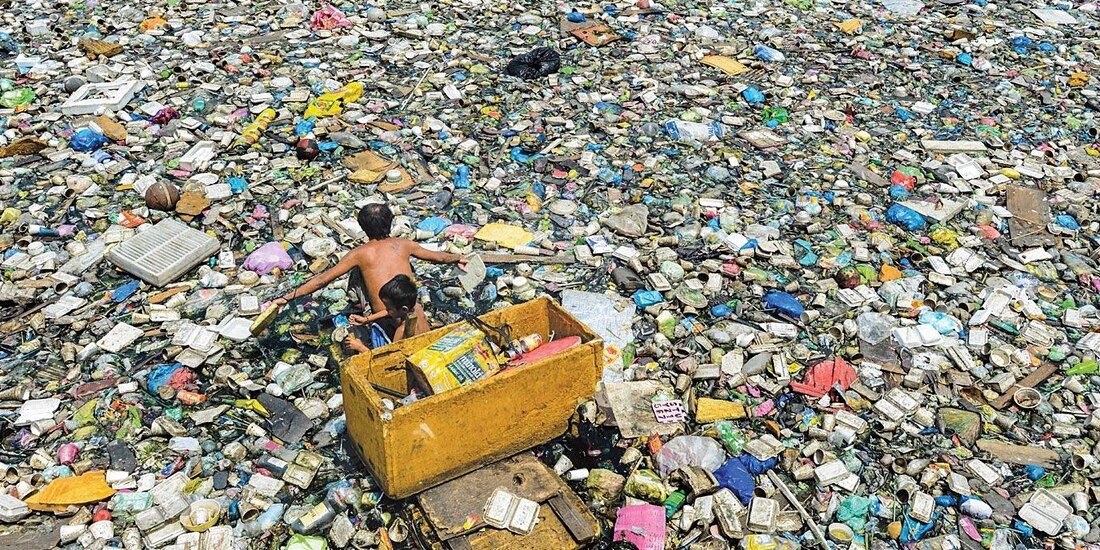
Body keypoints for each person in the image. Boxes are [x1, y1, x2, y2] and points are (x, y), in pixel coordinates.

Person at [273, 202, 466, 341]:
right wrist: (458, 258)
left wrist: (288, 297)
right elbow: (438, 257)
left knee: (357, 274)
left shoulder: (359, 253)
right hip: (407, 307)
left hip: (386, 316)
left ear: (363, 227)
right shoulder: (404, 244)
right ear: (390, 223)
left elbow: (323, 280)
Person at [345, 274, 420, 352]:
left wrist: (360, 347)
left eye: (389, 308)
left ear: (404, 309)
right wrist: (366, 319)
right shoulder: (413, 312)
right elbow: (388, 312)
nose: (386, 310)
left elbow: (391, 358)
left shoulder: (401, 331)